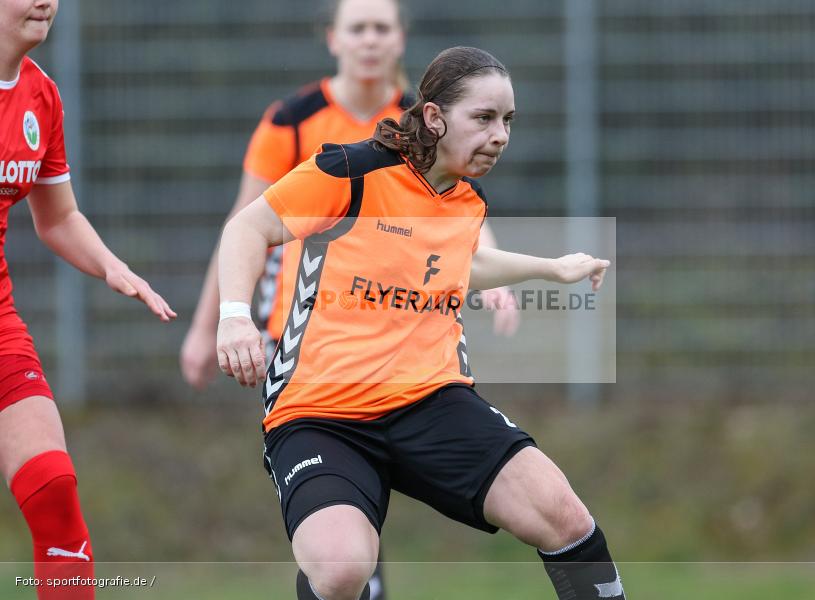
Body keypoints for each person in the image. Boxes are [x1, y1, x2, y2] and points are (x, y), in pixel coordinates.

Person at [216, 45, 623, 600]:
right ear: (434, 117)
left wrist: (552, 269)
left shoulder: (465, 199)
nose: (500, 134)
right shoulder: (351, 171)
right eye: (483, 118)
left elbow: (462, 264)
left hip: (430, 399)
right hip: (321, 410)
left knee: (564, 517)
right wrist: (235, 318)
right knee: (340, 571)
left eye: (507, 121)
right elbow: (248, 228)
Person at [180, 0, 518, 393]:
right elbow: (242, 222)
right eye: (358, 29)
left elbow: (459, 206)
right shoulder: (291, 120)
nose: (370, 41)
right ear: (333, 39)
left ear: (401, 39)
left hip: (392, 323)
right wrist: (209, 326)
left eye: (382, 29)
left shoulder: (428, 119)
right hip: (301, 323)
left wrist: (494, 280)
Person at [0, 1, 177, 598]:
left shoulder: (40, 95)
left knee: (53, 488)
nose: (44, 1)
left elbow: (58, 216)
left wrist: (113, 268)